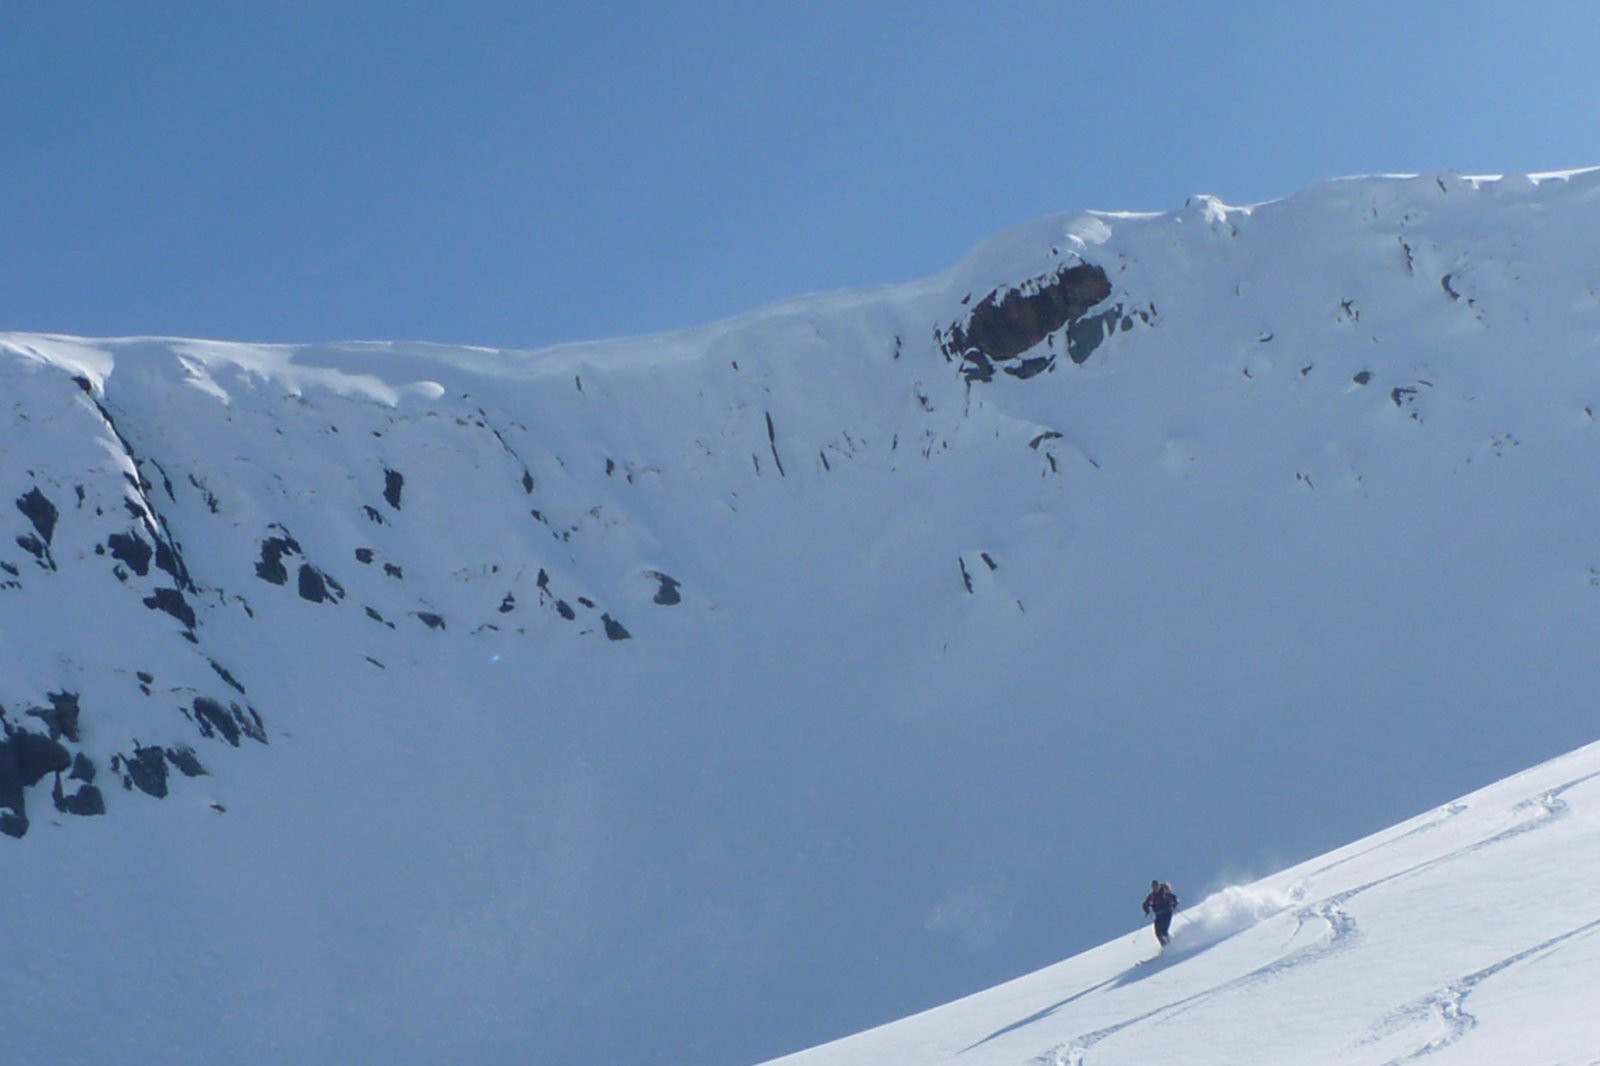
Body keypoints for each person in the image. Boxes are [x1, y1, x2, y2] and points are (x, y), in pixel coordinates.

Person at [1142, 880, 1179, 946]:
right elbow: (1145, 904)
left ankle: (1170, 944)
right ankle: (1165, 946)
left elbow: (1175, 899)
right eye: (1153, 887)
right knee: (1158, 933)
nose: (1155, 888)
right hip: (1159, 915)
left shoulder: (1165, 893)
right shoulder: (1152, 896)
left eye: (1156, 886)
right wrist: (1146, 909)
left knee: (1164, 931)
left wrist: (1174, 905)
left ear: (1159, 886)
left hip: (1167, 914)